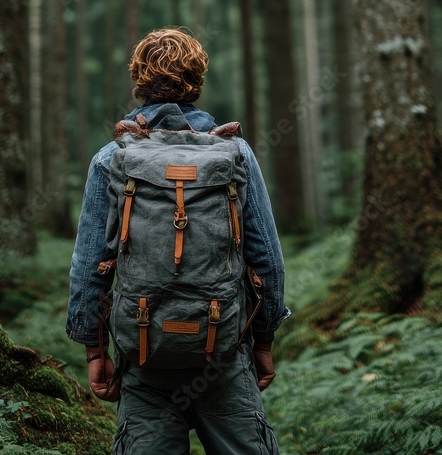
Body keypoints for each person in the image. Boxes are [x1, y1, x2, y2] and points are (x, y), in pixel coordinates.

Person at [66, 27, 289, 454]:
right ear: (198, 81)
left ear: (139, 81)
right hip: (222, 352)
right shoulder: (235, 152)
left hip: (145, 354)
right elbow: (266, 259)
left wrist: (94, 352)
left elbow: (90, 262)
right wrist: (263, 341)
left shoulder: (113, 157)